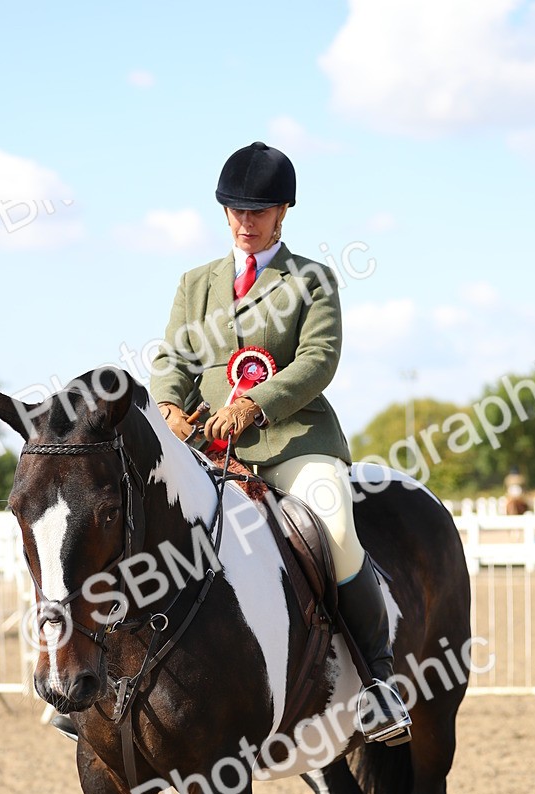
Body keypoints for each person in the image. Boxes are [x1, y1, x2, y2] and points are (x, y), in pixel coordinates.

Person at [148, 141, 411, 744]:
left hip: (294, 441)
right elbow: (175, 357)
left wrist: (252, 405)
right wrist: (167, 401)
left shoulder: (312, 280)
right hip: (208, 447)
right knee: (144, 523)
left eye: (259, 212)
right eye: (236, 211)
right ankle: (112, 676)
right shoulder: (196, 284)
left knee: (338, 532)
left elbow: (318, 361)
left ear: (284, 211)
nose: (246, 223)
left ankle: (379, 684)